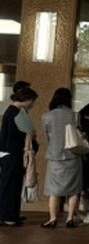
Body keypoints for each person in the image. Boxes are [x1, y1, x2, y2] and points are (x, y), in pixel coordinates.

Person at [42, 87, 83, 228]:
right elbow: (79, 136)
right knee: (74, 189)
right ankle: (70, 217)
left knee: (54, 190)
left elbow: (47, 137)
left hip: (54, 157)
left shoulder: (47, 116)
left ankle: (52, 218)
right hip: (73, 155)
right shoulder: (74, 115)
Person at [0, 86, 38, 226]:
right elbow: (24, 133)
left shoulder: (11, 112)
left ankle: (10, 215)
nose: (32, 104)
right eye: (31, 101)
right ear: (25, 99)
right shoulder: (16, 113)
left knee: (10, 185)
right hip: (13, 154)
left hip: (8, 154)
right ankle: (8, 216)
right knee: (11, 186)